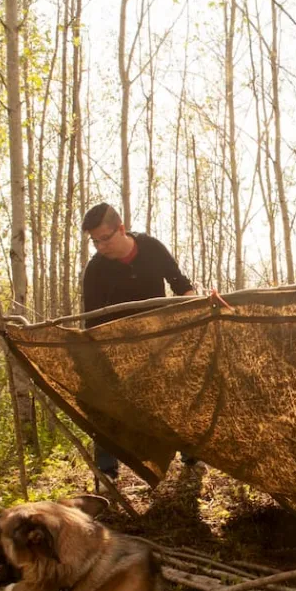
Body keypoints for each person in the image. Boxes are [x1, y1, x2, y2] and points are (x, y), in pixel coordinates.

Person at [80, 202, 198, 480]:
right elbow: (93, 324)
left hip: (159, 340)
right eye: (94, 241)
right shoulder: (96, 270)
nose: (100, 246)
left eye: (105, 238)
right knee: (101, 398)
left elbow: (181, 285)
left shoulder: (151, 248)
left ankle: (191, 456)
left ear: (121, 229)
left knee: (178, 391)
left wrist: (199, 308)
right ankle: (107, 471)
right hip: (117, 346)